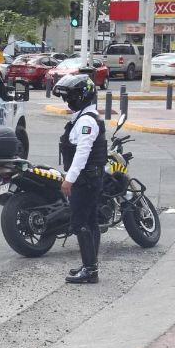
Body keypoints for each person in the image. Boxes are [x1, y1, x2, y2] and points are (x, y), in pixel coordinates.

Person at [53, 74, 108, 284]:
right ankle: (90, 264)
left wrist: (69, 179)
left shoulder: (86, 121)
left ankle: (90, 270)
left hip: (85, 179)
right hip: (89, 177)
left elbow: (82, 153)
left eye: (72, 98)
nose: (68, 102)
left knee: (79, 223)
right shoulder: (83, 118)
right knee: (90, 221)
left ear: (83, 97)